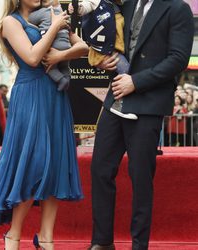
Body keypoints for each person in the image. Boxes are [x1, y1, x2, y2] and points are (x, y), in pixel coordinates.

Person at [0, 0, 88, 249]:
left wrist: (61, 54)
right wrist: (56, 25)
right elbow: (32, 58)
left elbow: (83, 47)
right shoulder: (10, 22)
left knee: (56, 164)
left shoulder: (51, 13)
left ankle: (46, 237)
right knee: (32, 164)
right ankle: (13, 235)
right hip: (30, 96)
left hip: (56, 96)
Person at [89, 0, 194, 249]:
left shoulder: (178, 8)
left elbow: (178, 59)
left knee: (141, 178)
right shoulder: (126, 6)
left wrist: (136, 82)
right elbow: (114, 45)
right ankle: (102, 242)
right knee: (100, 170)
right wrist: (105, 63)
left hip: (148, 104)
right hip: (116, 100)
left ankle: (139, 245)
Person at [68, 0, 137, 120]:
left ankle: (123, 104)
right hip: (106, 52)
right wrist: (77, 7)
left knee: (124, 74)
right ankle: (120, 105)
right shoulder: (97, 1)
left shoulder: (124, 5)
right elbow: (86, 6)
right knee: (126, 71)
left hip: (116, 51)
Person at [28, 0, 71, 91]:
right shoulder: (61, 13)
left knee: (51, 67)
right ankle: (67, 78)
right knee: (64, 66)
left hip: (54, 46)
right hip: (66, 44)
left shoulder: (43, 12)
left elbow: (29, 19)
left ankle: (61, 80)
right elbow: (69, 24)